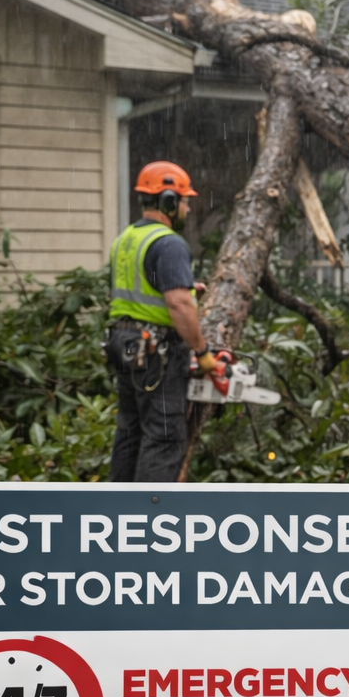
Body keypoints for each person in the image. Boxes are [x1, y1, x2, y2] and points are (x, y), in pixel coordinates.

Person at [105, 160, 223, 483]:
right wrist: (202, 352)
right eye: (184, 202)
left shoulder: (125, 239)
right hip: (156, 352)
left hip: (124, 344)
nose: (186, 209)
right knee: (164, 436)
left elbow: (140, 292)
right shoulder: (169, 242)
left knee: (130, 432)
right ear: (169, 201)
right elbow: (177, 303)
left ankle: (117, 513)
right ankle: (147, 520)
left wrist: (185, 287)